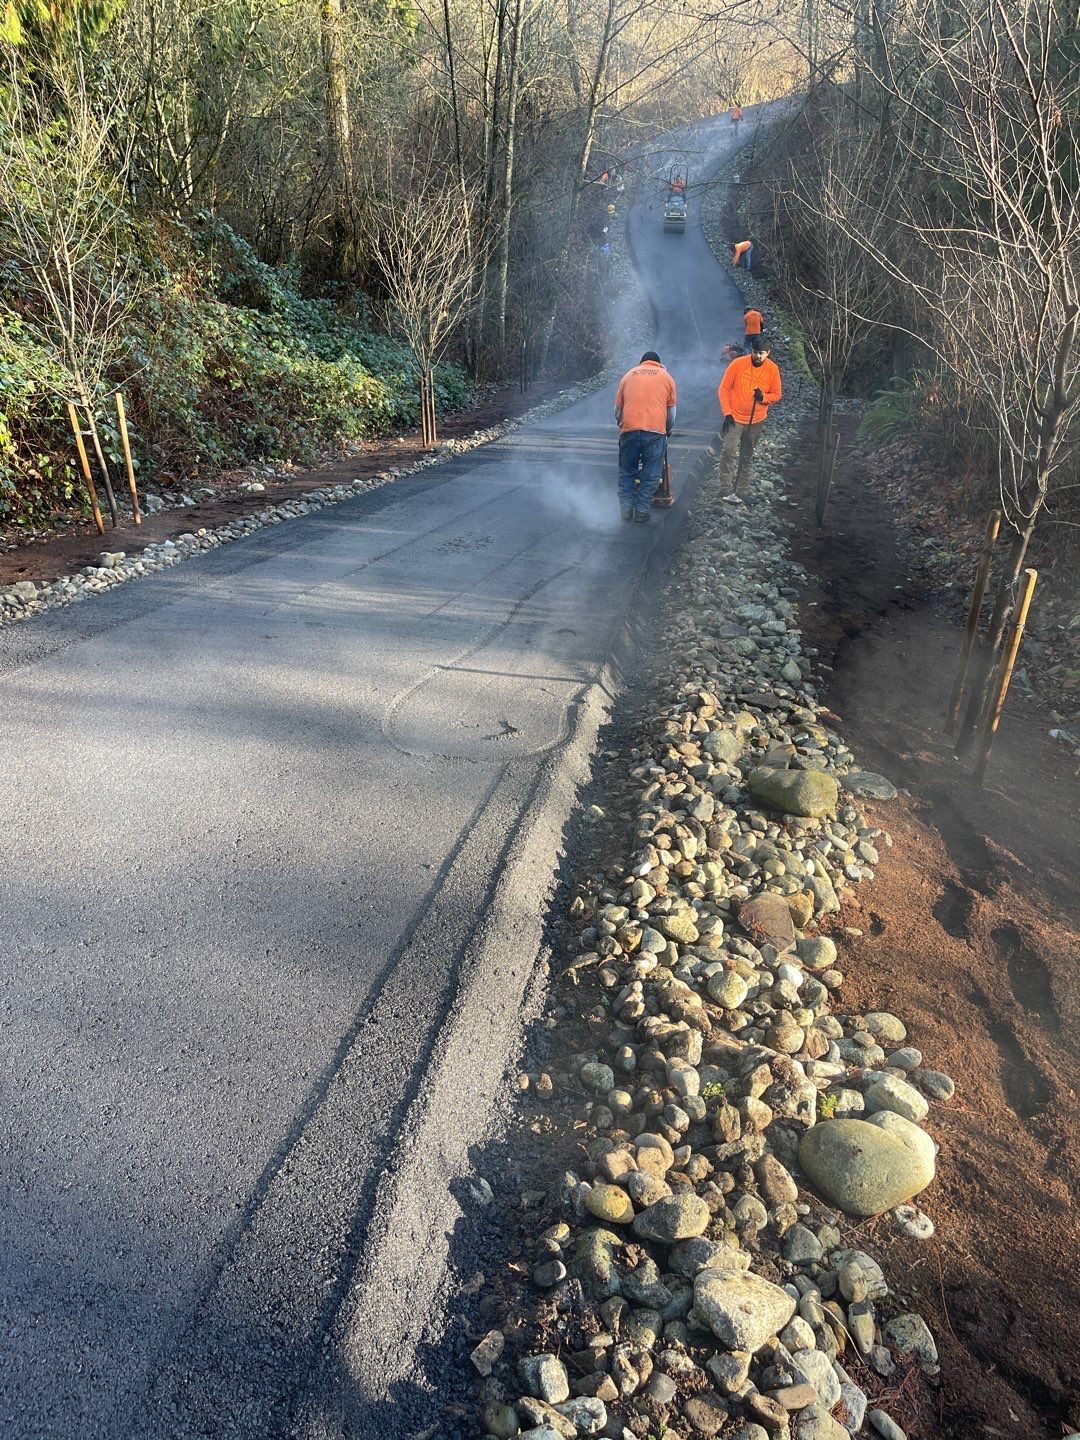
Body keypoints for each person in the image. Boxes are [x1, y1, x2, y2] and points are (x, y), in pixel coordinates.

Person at [615, 351, 677, 523]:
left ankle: (626, 509)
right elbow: (671, 413)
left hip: (629, 430)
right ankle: (642, 510)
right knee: (651, 472)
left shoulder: (628, 376)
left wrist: (624, 426)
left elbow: (618, 411)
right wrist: (667, 429)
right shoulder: (667, 377)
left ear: (641, 363)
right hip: (655, 432)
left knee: (627, 470)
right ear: (658, 363)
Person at [716, 340, 781, 500]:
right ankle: (725, 489)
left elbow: (776, 394)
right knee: (728, 451)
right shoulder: (737, 364)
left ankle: (742, 490)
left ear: (768, 353)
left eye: (761, 353)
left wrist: (763, 397)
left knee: (747, 455)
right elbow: (723, 389)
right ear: (751, 350)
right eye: (755, 352)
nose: (757, 356)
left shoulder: (772, 369)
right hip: (734, 418)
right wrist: (727, 413)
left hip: (756, 419)